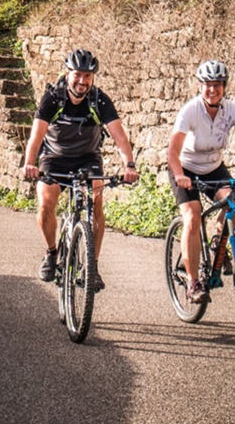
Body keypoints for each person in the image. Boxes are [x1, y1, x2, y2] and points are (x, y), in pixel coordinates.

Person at [21, 48, 138, 290]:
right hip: (54, 158)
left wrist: (129, 164)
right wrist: (30, 163)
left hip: (88, 159)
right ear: (68, 73)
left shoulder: (100, 100)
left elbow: (119, 136)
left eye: (87, 76)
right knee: (45, 204)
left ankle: (92, 266)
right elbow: (36, 136)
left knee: (96, 202)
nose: (82, 81)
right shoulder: (53, 99)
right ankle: (51, 253)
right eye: (77, 75)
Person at [167, 59, 235, 304]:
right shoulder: (190, 110)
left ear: (224, 87)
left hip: (214, 168)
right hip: (185, 169)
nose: (212, 89)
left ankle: (219, 244)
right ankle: (193, 282)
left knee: (233, 204)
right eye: (207, 84)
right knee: (193, 216)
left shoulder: (230, 109)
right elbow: (172, 152)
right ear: (199, 86)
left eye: (217, 84)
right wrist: (179, 176)